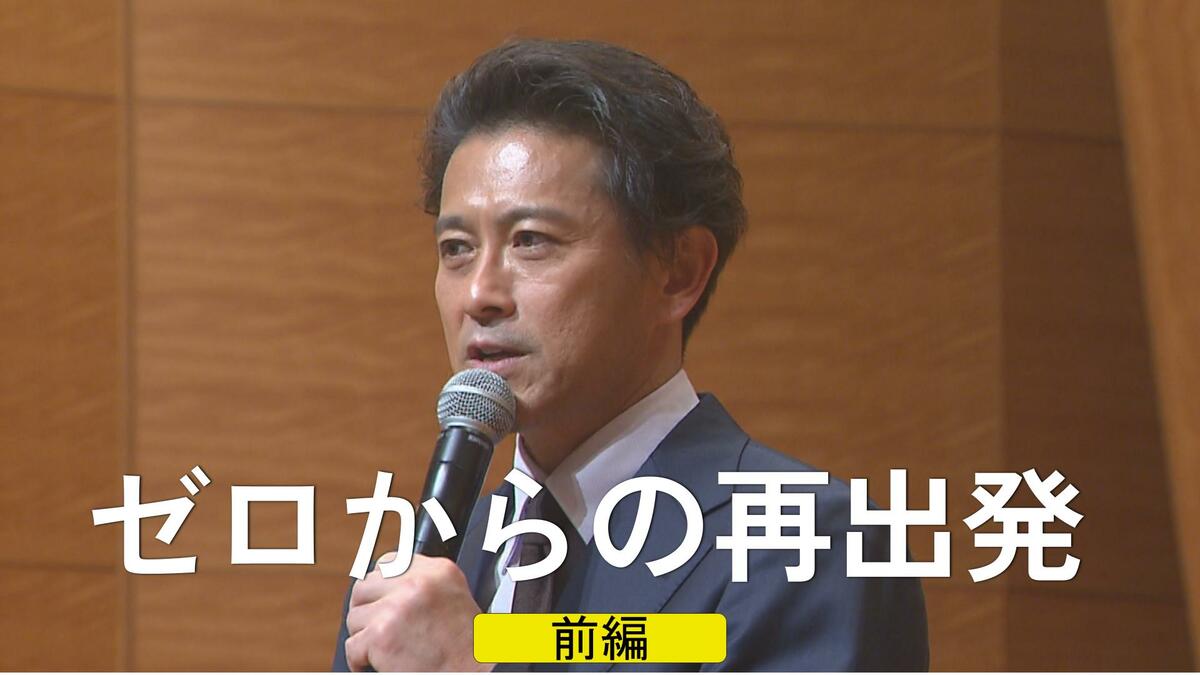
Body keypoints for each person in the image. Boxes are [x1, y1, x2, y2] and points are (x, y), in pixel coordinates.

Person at [332, 38, 928, 672]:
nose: (479, 294)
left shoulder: (810, 545)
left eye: (531, 241)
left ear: (677, 271)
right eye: (456, 249)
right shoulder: (413, 584)